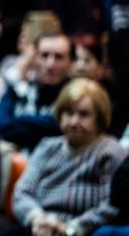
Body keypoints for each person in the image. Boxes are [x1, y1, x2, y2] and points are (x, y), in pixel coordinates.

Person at [10, 78, 127, 236]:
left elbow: (110, 207)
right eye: (69, 113)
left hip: (83, 231)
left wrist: (70, 228)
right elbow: (22, 192)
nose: (73, 121)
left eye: (84, 114)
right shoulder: (47, 147)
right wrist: (37, 218)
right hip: (40, 226)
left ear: (99, 118)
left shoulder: (110, 152)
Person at [0, 33, 74, 151]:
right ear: (34, 58)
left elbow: (59, 127)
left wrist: (17, 121)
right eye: (44, 55)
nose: (50, 64)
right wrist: (45, 126)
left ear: (71, 62)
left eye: (58, 57)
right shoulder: (17, 91)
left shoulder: (77, 97)